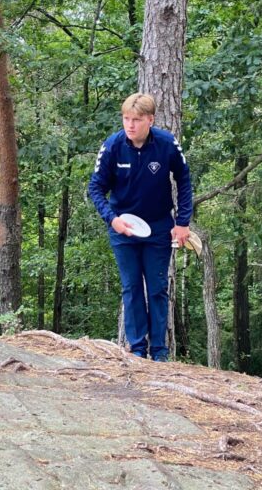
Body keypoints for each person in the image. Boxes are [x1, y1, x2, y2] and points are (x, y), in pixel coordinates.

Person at [88, 93, 193, 362]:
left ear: (150, 120)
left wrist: (182, 223)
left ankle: (159, 353)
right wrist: (112, 219)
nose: (130, 125)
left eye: (136, 120)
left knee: (157, 287)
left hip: (159, 227)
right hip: (124, 227)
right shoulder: (113, 146)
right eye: (126, 119)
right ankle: (137, 350)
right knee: (131, 286)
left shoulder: (167, 144)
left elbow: (184, 179)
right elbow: (96, 187)